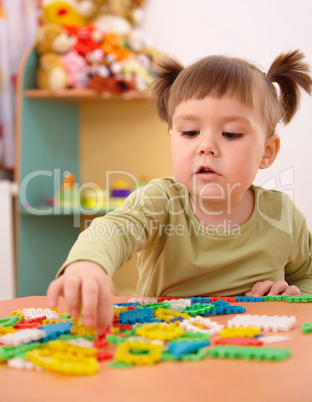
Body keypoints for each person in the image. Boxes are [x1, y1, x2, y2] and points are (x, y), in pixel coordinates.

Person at [47, 49, 312, 334]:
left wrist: (293, 296)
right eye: (189, 132)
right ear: (172, 137)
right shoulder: (161, 201)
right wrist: (89, 264)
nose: (206, 146)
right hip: (164, 347)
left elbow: (306, 277)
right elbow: (115, 229)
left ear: (267, 151)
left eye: (231, 134)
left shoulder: (282, 215)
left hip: (254, 351)